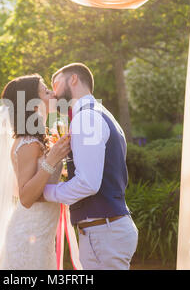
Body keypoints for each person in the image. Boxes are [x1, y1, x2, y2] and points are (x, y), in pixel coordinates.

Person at [0, 74, 74, 269]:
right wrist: (52, 160)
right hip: (29, 234)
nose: (53, 94)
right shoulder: (28, 143)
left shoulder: (39, 138)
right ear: (33, 104)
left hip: (42, 233)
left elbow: (34, 183)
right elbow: (25, 196)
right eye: (46, 91)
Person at [43, 63, 139, 270]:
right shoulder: (98, 112)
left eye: (56, 84)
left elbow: (87, 183)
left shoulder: (86, 118)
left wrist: (44, 192)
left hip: (103, 233)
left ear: (74, 79)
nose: (54, 93)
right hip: (104, 231)